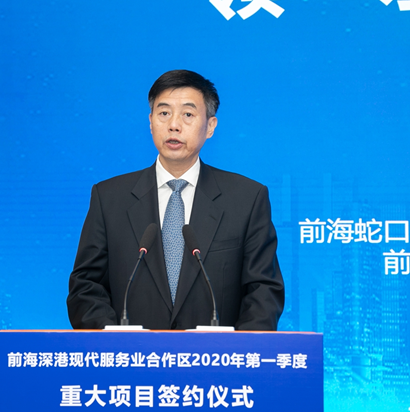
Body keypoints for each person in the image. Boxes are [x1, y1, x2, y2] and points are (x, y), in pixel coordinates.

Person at [67, 70, 284, 330]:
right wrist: (117, 344)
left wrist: (234, 350)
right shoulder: (109, 198)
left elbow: (263, 292)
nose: (174, 125)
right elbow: (86, 287)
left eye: (188, 114)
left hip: (215, 355)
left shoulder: (247, 199)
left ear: (210, 126)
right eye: (164, 113)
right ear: (151, 121)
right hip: (131, 354)